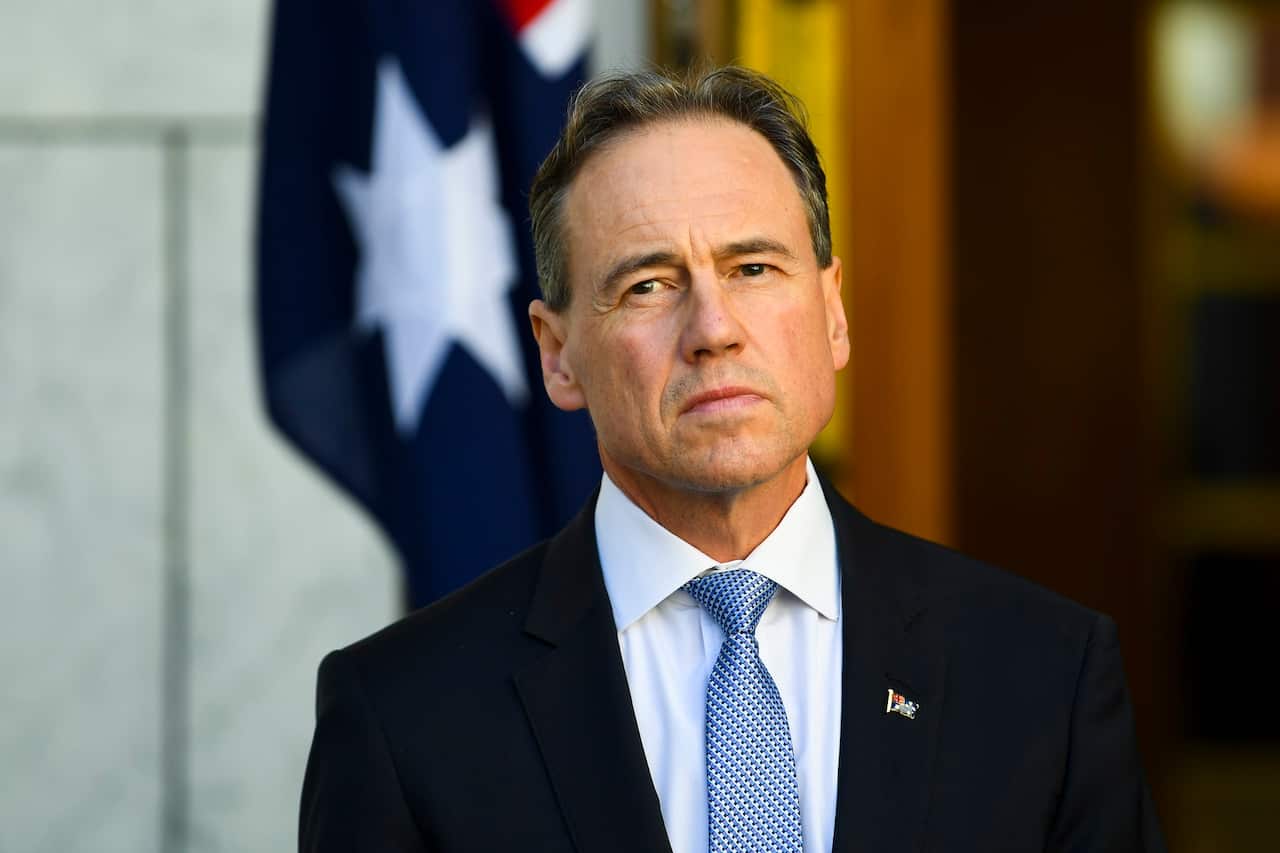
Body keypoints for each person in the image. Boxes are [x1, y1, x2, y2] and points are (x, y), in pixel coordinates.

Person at [299, 66, 1166, 853]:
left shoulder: (1043, 677)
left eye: (753, 267)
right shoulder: (402, 716)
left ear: (832, 312)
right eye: (648, 284)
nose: (713, 329)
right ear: (557, 353)